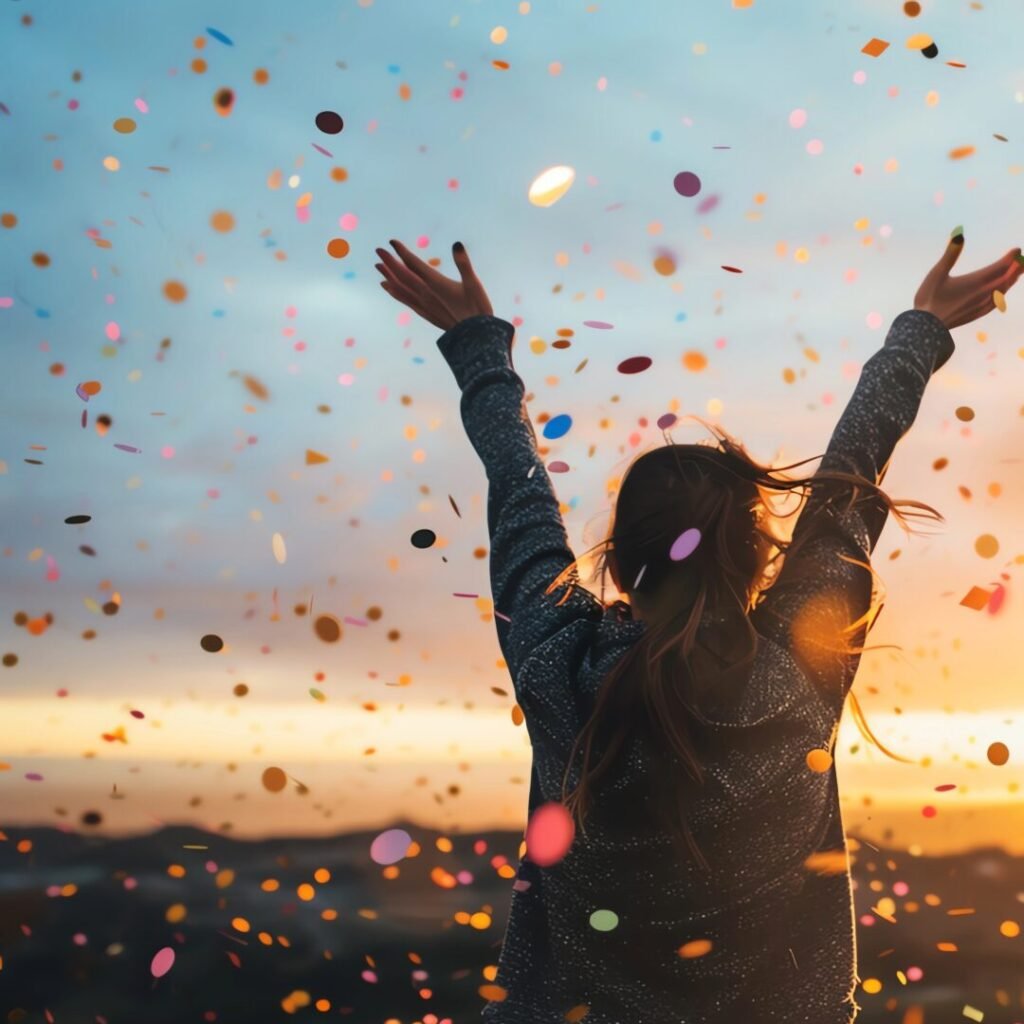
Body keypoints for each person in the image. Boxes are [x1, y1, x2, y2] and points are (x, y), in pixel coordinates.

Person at [374, 233, 1023, 1023]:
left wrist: (480, 345)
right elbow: (852, 470)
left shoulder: (558, 664)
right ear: (758, 558)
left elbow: (519, 490)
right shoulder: (800, 669)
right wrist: (922, 329)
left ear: (618, 559)